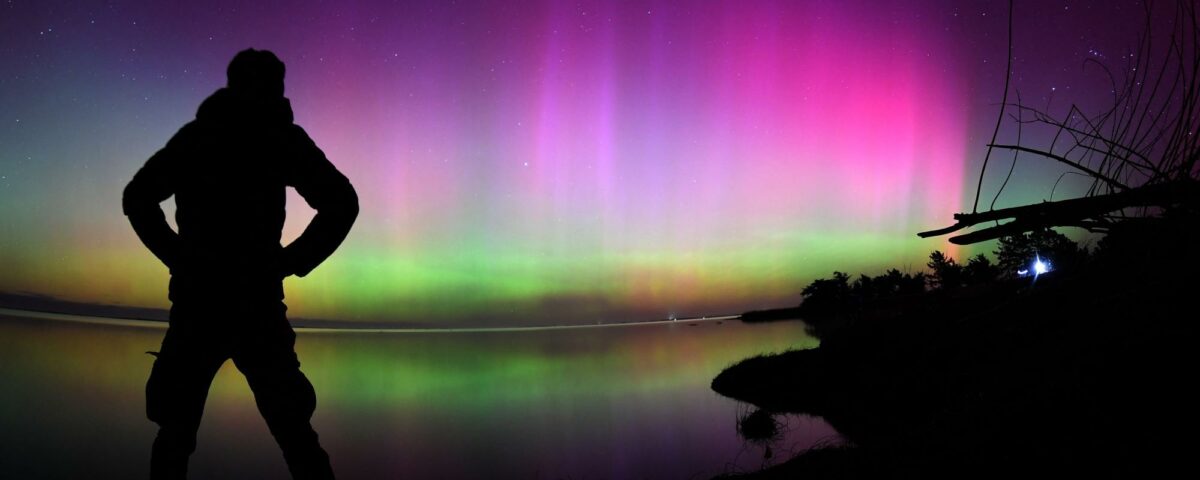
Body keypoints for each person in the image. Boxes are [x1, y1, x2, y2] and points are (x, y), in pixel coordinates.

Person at [122, 48, 358, 480]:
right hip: (232, 304)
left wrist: (290, 261)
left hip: (222, 304)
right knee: (288, 432)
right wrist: (289, 262)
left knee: (188, 432)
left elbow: (342, 203)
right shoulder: (264, 137)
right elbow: (342, 203)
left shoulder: (216, 137)